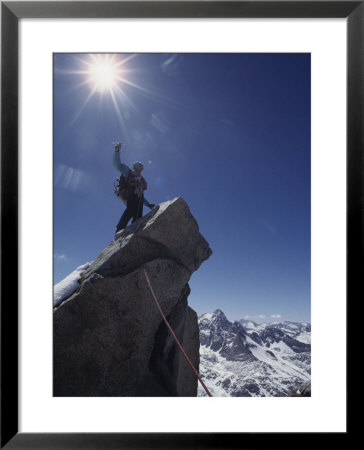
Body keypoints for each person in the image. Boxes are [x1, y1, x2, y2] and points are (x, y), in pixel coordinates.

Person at [113, 143, 155, 233]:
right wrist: (117, 151)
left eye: (142, 168)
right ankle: (119, 229)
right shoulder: (127, 171)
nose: (141, 169)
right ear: (136, 167)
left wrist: (148, 204)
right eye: (140, 167)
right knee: (130, 210)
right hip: (131, 194)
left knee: (138, 214)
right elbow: (117, 165)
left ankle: (136, 230)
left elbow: (140, 194)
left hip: (138, 197)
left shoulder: (140, 179)